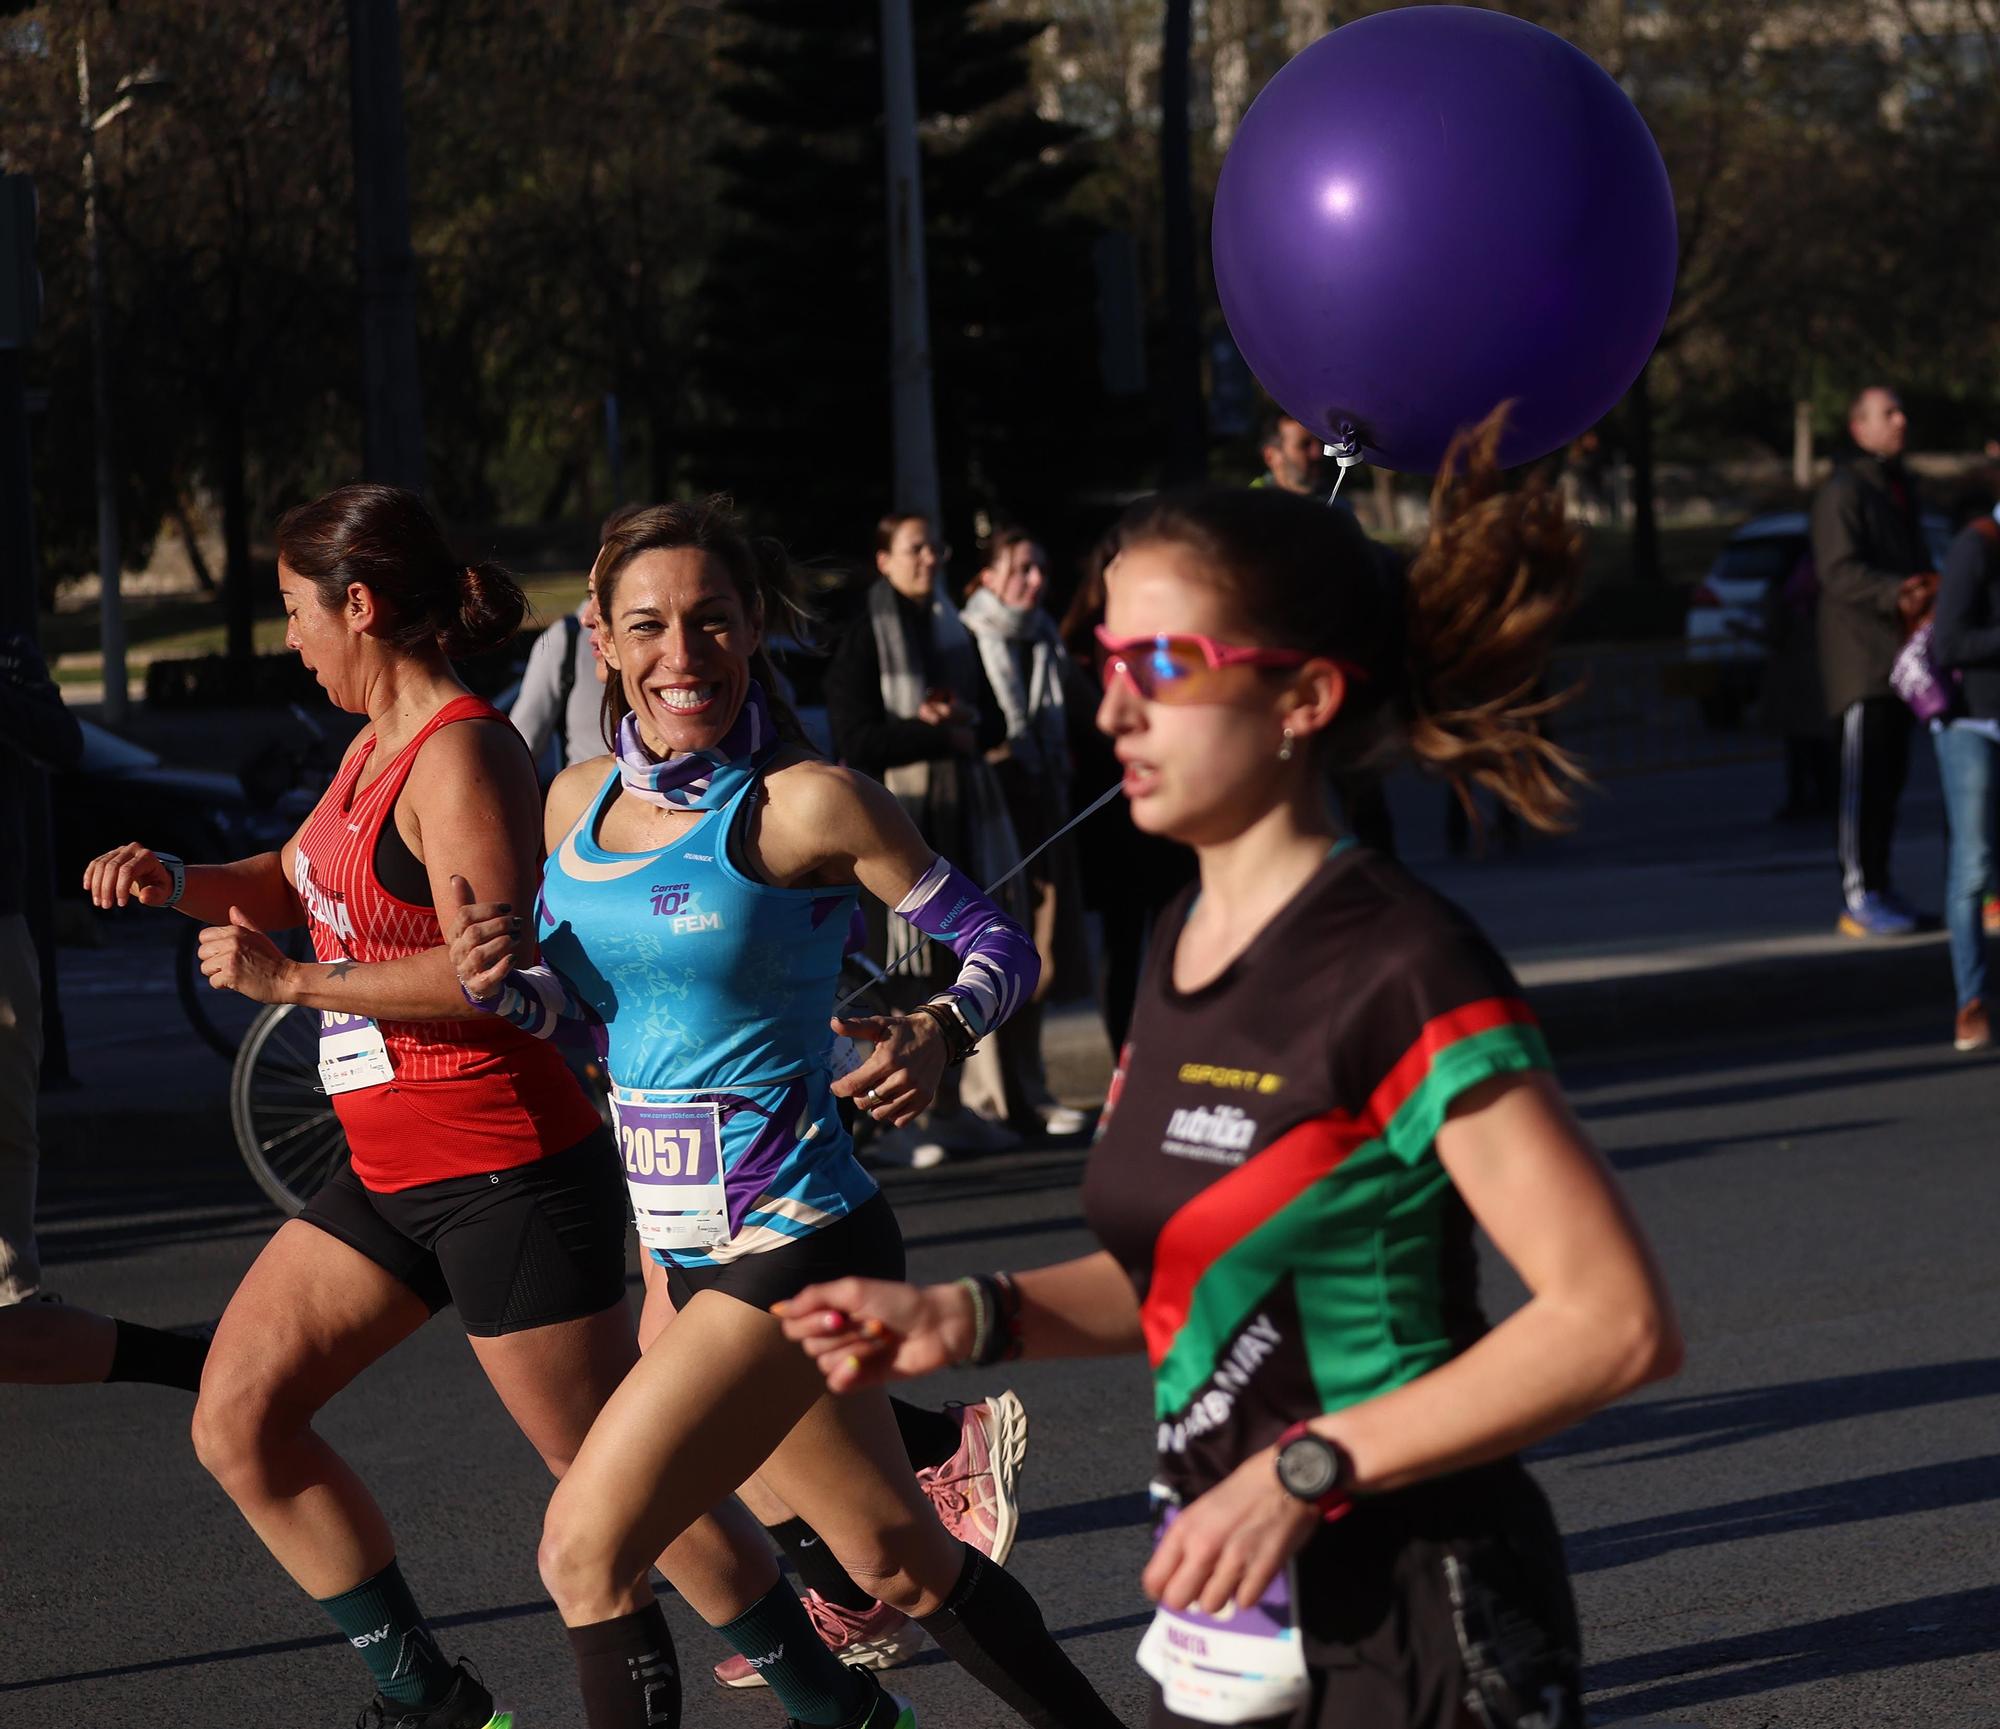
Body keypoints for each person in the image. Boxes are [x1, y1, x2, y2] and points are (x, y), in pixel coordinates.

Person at [777, 411, 1684, 1729]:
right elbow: (1196, 1260)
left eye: (1164, 663)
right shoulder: (1174, 945)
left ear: (1302, 700)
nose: (1112, 706)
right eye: (1107, 660)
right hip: (1231, 1622)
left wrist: (1307, 1467)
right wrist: (966, 1318)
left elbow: (1616, 1321)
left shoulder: (1401, 960)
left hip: (1417, 1614)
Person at [82, 484, 889, 1729]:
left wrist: (294, 984)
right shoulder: (365, 747)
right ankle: (435, 1703)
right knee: (238, 1418)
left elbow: (490, 973)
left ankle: (834, 1705)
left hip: (506, 1170)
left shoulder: (459, 750)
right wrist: (175, 877)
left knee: (620, 1491)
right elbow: (292, 883)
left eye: (298, 612)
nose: (293, 639)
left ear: (358, 605)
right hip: (388, 1168)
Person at [450, 498, 1125, 1729]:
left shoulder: (804, 806)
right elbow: (589, 1016)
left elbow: (993, 945)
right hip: (683, 1253)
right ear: (601, 638)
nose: (683, 654)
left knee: (584, 1551)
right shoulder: (574, 805)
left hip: (797, 1238)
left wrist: (938, 1027)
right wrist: (506, 985)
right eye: (649, 625)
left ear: (754, 628)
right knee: (897, 1560)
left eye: (712, 622)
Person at [825, 512, 1023, 1163]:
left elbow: (997, 722)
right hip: (895, 825)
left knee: (961, 959)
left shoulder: (953, 630)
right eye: (915, 548)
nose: (930, 558)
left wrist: (965, 720)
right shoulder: (863, 637)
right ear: (883, 559)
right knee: (908, 970)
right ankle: (903, 1124)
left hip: (963, 813)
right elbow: (855, 742)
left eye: (937, 546)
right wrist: (933, 731)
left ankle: (953, 1104)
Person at [960, 523, 1097, 1137]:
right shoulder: (965, 635)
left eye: (1040, 568)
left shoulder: (1044, 638)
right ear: (988, 577)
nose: (1036, 581)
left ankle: (1034, 1086)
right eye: (1020, 568)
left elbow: (1088, 709)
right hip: (988, 809)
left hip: (1043, 801)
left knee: (1039, 946)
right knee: (984, 947)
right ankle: (989, 1098)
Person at [1812, 385, 1937, 936]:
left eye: (1899, 410)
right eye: (1887, 413)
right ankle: (1858, 895)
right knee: (1861, 786)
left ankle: (1881, 887)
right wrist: (1899, 592)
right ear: (1857, 428)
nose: (1900, 420)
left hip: (1899, 664)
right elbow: (1838, 573)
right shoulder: (1844, 492)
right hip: (1860, 664)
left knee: (1889, 784)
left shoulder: (1897, 487)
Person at [0, 630, 80, 1308]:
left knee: (8, 1119)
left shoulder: (9, 651)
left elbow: (64, 740)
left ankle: (12, 1296)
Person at [1928, 477, 2000, 1052]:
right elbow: (1948, 643)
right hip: (1970, 725)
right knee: (1973, 865)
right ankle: (1969, 1004)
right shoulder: (1977, 546)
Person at [509, 588, 604, 779]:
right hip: (585, 804)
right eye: (591, 592)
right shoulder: (567, 637)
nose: (588, 619)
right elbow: (519, 748)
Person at [1252, 411, 1324, 498]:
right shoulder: (1249, 508)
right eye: (1304, 445)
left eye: (1321, 442)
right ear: (1271, 457)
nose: (1318, 453)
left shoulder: (1338, 505)